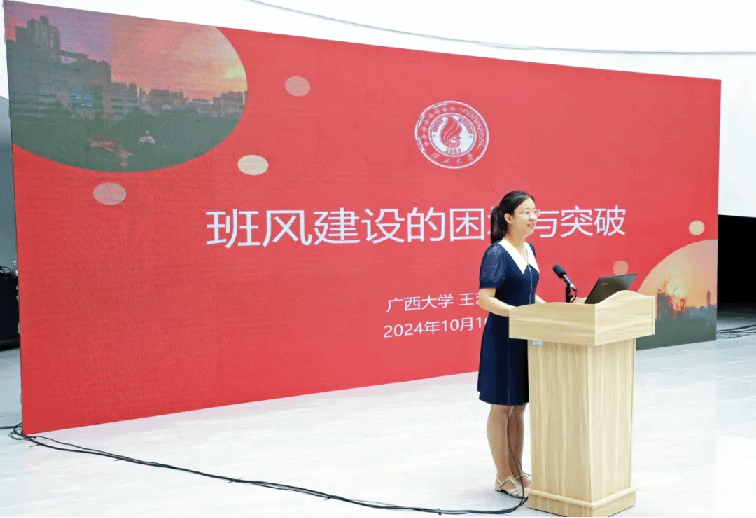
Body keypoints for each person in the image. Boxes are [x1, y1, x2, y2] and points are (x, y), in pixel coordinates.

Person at [477, 190, 545, 497]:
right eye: (526, 212)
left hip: (525, 337)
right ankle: (502, 475)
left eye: (535, 212)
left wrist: (551, 310)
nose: (533, 218)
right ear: (508, 217)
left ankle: (517, 470)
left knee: (518, 407)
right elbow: (485, 299)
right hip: (503, 337)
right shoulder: (497, 253)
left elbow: (528, 293)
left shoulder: (529, 249)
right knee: (502, 407)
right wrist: (518, 313)